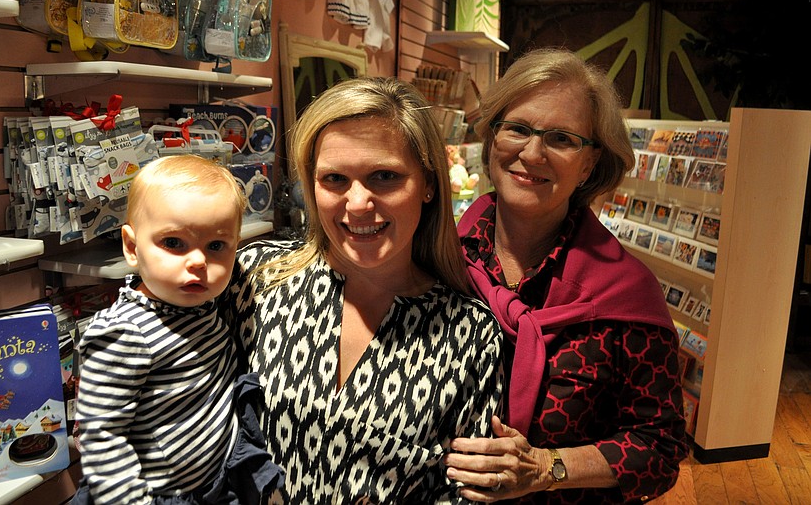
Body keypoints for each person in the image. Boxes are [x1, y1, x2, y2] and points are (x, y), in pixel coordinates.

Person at [218, 76, 505, 502]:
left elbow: (467, 494)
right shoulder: (255, 279)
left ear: (428, 184)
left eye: (384, 176)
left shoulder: (467, 333)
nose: (357, 203)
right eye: (334, 179)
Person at [442, 48, 689, 503]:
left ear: (590, 164)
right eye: (516, 128)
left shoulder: (626, 296)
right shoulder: (440, 261)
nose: (531, 153)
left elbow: (661, 447)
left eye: (561, 139)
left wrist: (547, 467)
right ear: (492, 138)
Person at [74, 155, 284, 504]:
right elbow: (101, 436)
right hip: (162, 495)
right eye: (173, 243)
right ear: (131, 247)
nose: (199, 262)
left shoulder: (202, 304)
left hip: (219, 481)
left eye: (216, 246)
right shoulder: (124, 332)